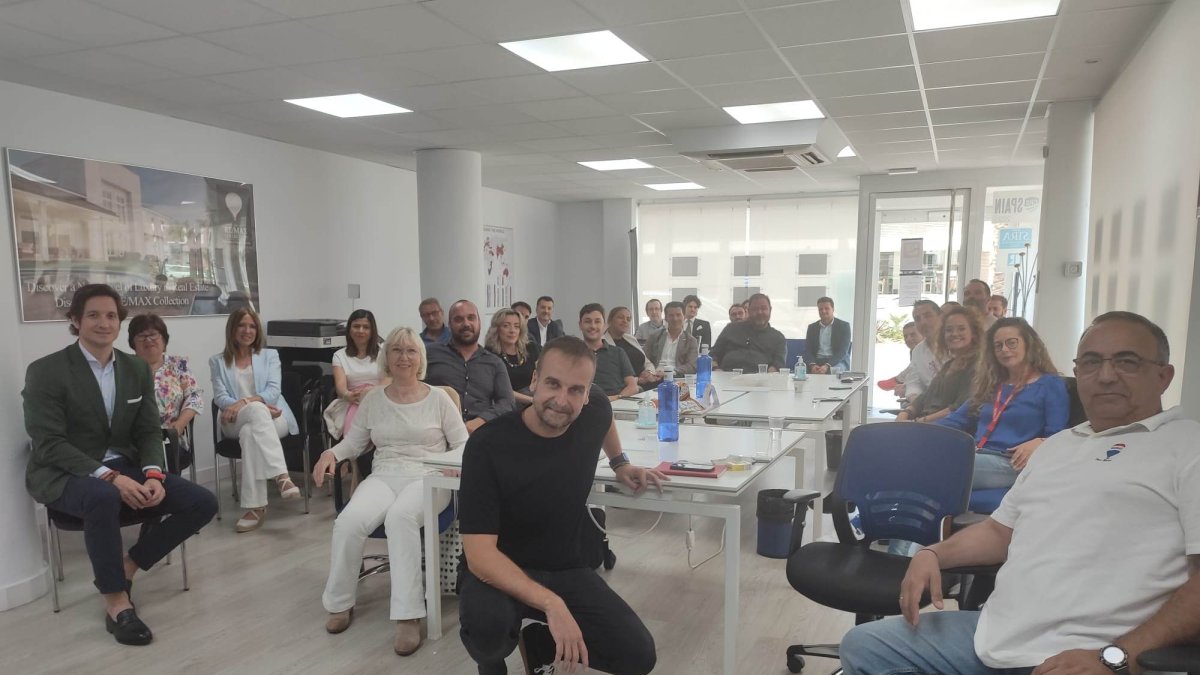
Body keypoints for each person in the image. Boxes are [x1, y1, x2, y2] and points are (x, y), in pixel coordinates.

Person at [841, 311, 1200, 675]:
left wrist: (1118, 657)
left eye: (1127, 362)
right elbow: (1000, 532)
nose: (1106, 375)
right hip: (994, 635)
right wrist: (932, 553)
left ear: (1163, 376)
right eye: (1091, 362)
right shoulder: (1059, 446)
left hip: (1091, 652)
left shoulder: (1188, 447)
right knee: (865, 647)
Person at [24, 285, 217, 645]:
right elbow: (49, 443)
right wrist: (110, 477)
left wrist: (154, 473)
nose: (104, 323)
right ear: (75, 320)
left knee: (202, 502)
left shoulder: (134, 368)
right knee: (103, 496)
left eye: (111, 315)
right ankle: (116, 601)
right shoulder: (46, 371)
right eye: (93, 315)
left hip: (122, 465)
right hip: (64, 473)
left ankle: (127, 566)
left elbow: (147, 430)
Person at [458, 336, 663, 675]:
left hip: (563, 566)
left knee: (638, 656)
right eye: (553, 384)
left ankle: (539, 643)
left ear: (587, 394)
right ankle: (492, 663)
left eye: (575, 390)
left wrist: (620, 462)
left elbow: (605, 413)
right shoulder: (488, 445)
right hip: (498, 567)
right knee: (488, 634)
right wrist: (551, 603)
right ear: (534, 380)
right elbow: (479, 556)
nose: (562, 400)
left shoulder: (592, 411)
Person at [313, 327, 468, 656]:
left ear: (420, 358)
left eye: (410, 351)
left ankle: (408, 615)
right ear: (386, 357)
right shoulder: (373, 399)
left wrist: (448, 468)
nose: (403, 357)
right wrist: (331, 454)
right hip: (384, 474)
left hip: (428, 477)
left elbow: (463, 445)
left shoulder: (439, 399)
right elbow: (354, 443)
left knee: (400, 518)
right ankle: (339, 602)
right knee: (349, 521)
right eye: (396, 350)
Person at [937, 318, 1069, 490]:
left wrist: (1041, 442)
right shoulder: (991, 385)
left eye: (1011, 343)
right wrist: (916, 430)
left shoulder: (1050, 384)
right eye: (998, 346)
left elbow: (1059, 435)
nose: (1004, 350)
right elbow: (954, 420)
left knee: (940, 466)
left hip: (1013, 463)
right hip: (979, 455)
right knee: (926, 455)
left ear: (1028, 344)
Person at [209, 307, 302, 533]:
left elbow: (273, 392)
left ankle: (256, 507)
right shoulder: (217, 361)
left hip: (274, 416)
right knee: (257, 412)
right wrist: (247, 406)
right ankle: (281, 476)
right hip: (234, 419)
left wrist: (245, 402)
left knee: (250, 433)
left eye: (252, 326)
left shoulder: (270, 356)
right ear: (232, 329)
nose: (247, 330)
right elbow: (220, 396)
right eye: (241, 325)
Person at [127, 312, 204, 471]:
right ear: (132, 342)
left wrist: (180, 424)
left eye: (153, 334)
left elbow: (194, 396)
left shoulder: (178, 365)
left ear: (164, 340)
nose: (148, 340)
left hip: (170, 438)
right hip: (133, 442)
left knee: (168, 461)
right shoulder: (124, 367)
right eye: (142, 336)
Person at [426, 300, 515, 434]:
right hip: (437, 431)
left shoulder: (494, 362)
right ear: (449, 324)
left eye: (471, 318)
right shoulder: (430, 354)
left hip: (480, 432)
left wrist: (482, 420)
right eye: (458, 319)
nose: (466, 324)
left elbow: (507, 402)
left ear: (479, 322)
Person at [896, 306, 983, 424]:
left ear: (973, 333)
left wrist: (920, 421)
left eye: (961, 329)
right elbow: (926, 395)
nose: (954, 334)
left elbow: (960, 408)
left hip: (949, 428)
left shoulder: (978, 365)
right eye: (949, 330)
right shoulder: (949, 365)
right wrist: (906, 412)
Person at [324, 309, 389, 440]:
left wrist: (370, 394)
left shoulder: (384, 352)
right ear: (349, 329)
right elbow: (341, 388)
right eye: (356, 326)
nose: (360, 330)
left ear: (372, 330)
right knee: (357, 413)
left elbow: (387, 381)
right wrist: (348, 395)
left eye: (366, 327)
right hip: (352, 400)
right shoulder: (339, 356)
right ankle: (354, 450)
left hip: (380, 397)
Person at [710, 293, 787, 373]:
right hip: (726, 377)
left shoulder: (778, 338)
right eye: (755, 309)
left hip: (760, 379)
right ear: (749, 311)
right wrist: (716, 369)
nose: (759, 312)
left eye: (763, 308)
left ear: (770, 310)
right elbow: (712, 355)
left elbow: (778, 365)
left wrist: (767, 377)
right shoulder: (731, 329)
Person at [579, 303, 638, 399]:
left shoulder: (618, 352)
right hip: (585, 404)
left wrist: (616, 398)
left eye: (597, 321)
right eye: (588, 321)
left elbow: (633, 386)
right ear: (580, 325)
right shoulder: (573, 354)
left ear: (604, 325)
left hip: (618, 403)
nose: (593, 326)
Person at [485, 308, 539, 406]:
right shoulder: (489, 354)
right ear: (497, 329)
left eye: (516, 326)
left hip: (534, 397)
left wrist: (535, 385)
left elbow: (542, 373)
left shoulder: (530, 347)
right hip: (508, 404)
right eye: (506, 326)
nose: (512, 331)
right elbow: (499, 390)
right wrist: (531, 400)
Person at [604, 306, 659, 389]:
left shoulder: (631, 339)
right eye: (620, 317)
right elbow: (611, 374)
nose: (625, 321)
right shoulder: (603, 342)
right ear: (610, 320)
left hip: (646, 381)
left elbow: (647, 363)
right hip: (625, 387)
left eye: (628, 319)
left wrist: (649, 372)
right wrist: (637, 380)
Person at [645, 301, 699, 376]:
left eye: (678, 315)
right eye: (671, 315)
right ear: (666, 318)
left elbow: (692, 366)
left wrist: (671, 372)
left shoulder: (691, 341)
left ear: (684, 317)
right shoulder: (654, 337)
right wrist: (650, 372)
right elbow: (645, 359)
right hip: (655, 376)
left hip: (677, 377)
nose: (675, 319)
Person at [804, 296, 852, 374]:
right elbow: (808, 350)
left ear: (833, 309)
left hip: (837, 361)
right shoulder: (812, 327)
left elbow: (843, 351)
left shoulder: (844, 326)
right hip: (817, 361)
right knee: (800, 370)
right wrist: (812, 365)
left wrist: (827, 366)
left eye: (827, 308)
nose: (823, 311)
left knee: (836, 371)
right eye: (820, 309)